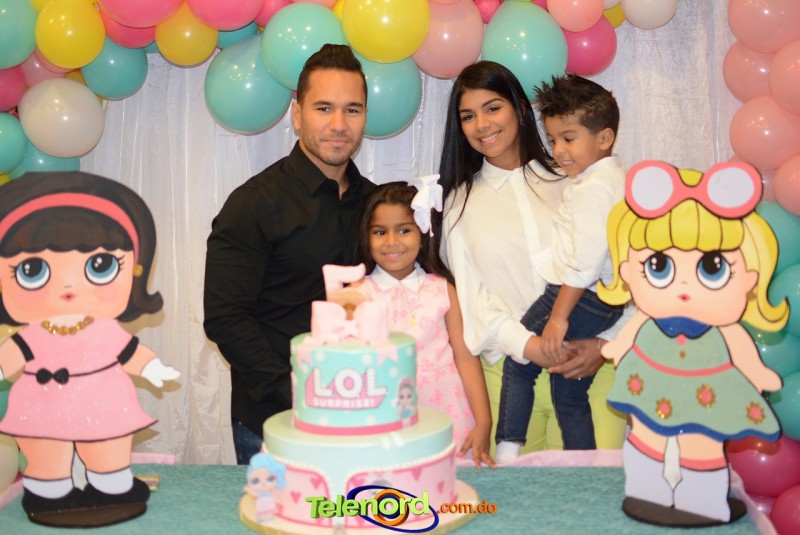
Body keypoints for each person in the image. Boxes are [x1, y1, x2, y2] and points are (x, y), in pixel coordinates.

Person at [436, 61, 629, 461]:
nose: (481, 125)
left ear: (521, 108)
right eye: (468, 116)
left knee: (592, 493)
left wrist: (606, 344)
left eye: (493, 108)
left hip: (590, 370)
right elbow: (474, 302)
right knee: (514, 498)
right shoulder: (458, 205)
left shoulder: (578, 179)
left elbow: (630, 268)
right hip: (509, 379)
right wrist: (530, 345)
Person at [203, 44, 374, 465]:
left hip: (361, 416)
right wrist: (296, 392)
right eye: (324, 108)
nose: (339, 124)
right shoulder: (254, 203)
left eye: (352, 110)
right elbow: (225, 318)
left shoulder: (376, 206)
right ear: (297, 115)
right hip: (273, 424)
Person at [600, 161, 786, 523]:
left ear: (749, 278)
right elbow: (630, 333)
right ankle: (647, 491)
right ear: (627, 270)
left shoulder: (723, 329)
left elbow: (741, 348)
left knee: (702, 444)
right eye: (659, 265)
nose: (684, 285)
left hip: (706, 395)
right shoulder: (647, 319)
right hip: (648, 386)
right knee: (647, 436)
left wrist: (757, 373)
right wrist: (617, 348)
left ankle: (701, 501)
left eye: (713, 267)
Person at [0, 171, 180, 525]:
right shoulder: (33, 334)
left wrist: (152, 368)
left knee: (107, 447)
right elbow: (11, 355)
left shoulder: (104, 329)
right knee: (45, 451)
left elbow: (129, 352)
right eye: (33, 269)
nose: (68, 286)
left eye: (100, 266)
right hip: (42, 403)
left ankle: (112, 487)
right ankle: (48, 493)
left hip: (102, 401)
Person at [495, 74, 626, 460]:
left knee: (520, 358)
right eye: (553, 140)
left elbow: (583, 266)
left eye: (569, 138)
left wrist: (558, 318)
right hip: (605, 301)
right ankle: (582, 467)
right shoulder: (615, 181)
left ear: (604, 138)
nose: (559, 150)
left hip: (579, 296)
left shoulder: (593, 190)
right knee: (569, 391)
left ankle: (507, 453)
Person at [355, 179, 494, 468]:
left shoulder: (442, 289)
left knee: (449, 488)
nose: (391, 242)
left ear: (423, 233)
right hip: (383, 416)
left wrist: (484, 421)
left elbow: (466, 358)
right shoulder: (356, 294)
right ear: (367, 237)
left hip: (447, 411)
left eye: (404, 230)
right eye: (380, 232)